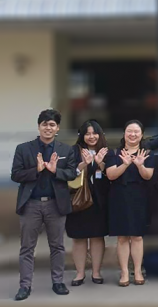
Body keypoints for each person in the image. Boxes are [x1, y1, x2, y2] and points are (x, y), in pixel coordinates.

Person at [11, 109, 77, 301]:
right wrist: (36, 170)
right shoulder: (23, 149)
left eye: (52, 125)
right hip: (30, 205)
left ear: (58, 128)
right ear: (39, 126)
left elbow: (72, 173)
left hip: (56, 204)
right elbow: (16, 175)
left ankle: (58, 282)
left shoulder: (66, 150)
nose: (48, 128)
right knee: (27, 247)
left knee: (57, 246)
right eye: (45, 124)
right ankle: (25, 286)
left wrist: (56, 171)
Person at [105, 120, 155, 286]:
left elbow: (148, 176)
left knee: (137, 236)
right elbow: (111, 175)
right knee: (122, 237)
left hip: (139, 196)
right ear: (124, 133)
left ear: (142, 135)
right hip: (119, 196)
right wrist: (125, 165)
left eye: (136, 132)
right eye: (129, 131)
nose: (132, 134)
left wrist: (140, 166)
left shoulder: (147, 153)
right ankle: (124, 272)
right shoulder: (114, 153)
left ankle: (138, 270)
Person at [66, 120, 113, 286]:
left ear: (100, 134)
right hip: (79, 200)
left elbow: (112, 174)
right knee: (79, 238)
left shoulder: (106, 151)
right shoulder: (74, 151)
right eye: (87, 133)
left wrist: (100, 162)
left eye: (94, 133)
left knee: (97, 236)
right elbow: (69, 173)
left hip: (100, 200)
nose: (91, 137)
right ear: (82, 135)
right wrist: (84, 164)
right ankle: (79, 273)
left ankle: (96, 272)